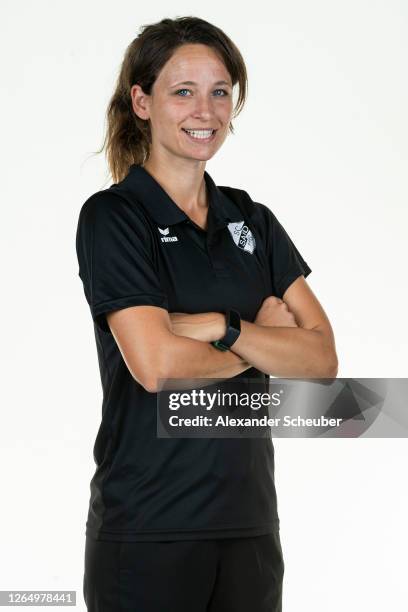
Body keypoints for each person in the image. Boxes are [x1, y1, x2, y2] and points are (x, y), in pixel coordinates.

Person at [76, 15, 338, 612]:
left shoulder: (253, 220)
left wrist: (222, 327)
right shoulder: (114, 219)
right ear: (142, 102)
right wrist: (263, 337)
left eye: (221, 92)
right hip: (149, 529)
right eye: (183, 91)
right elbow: (156, 366)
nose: (206, 110)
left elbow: (321, 360)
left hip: (249, 528)